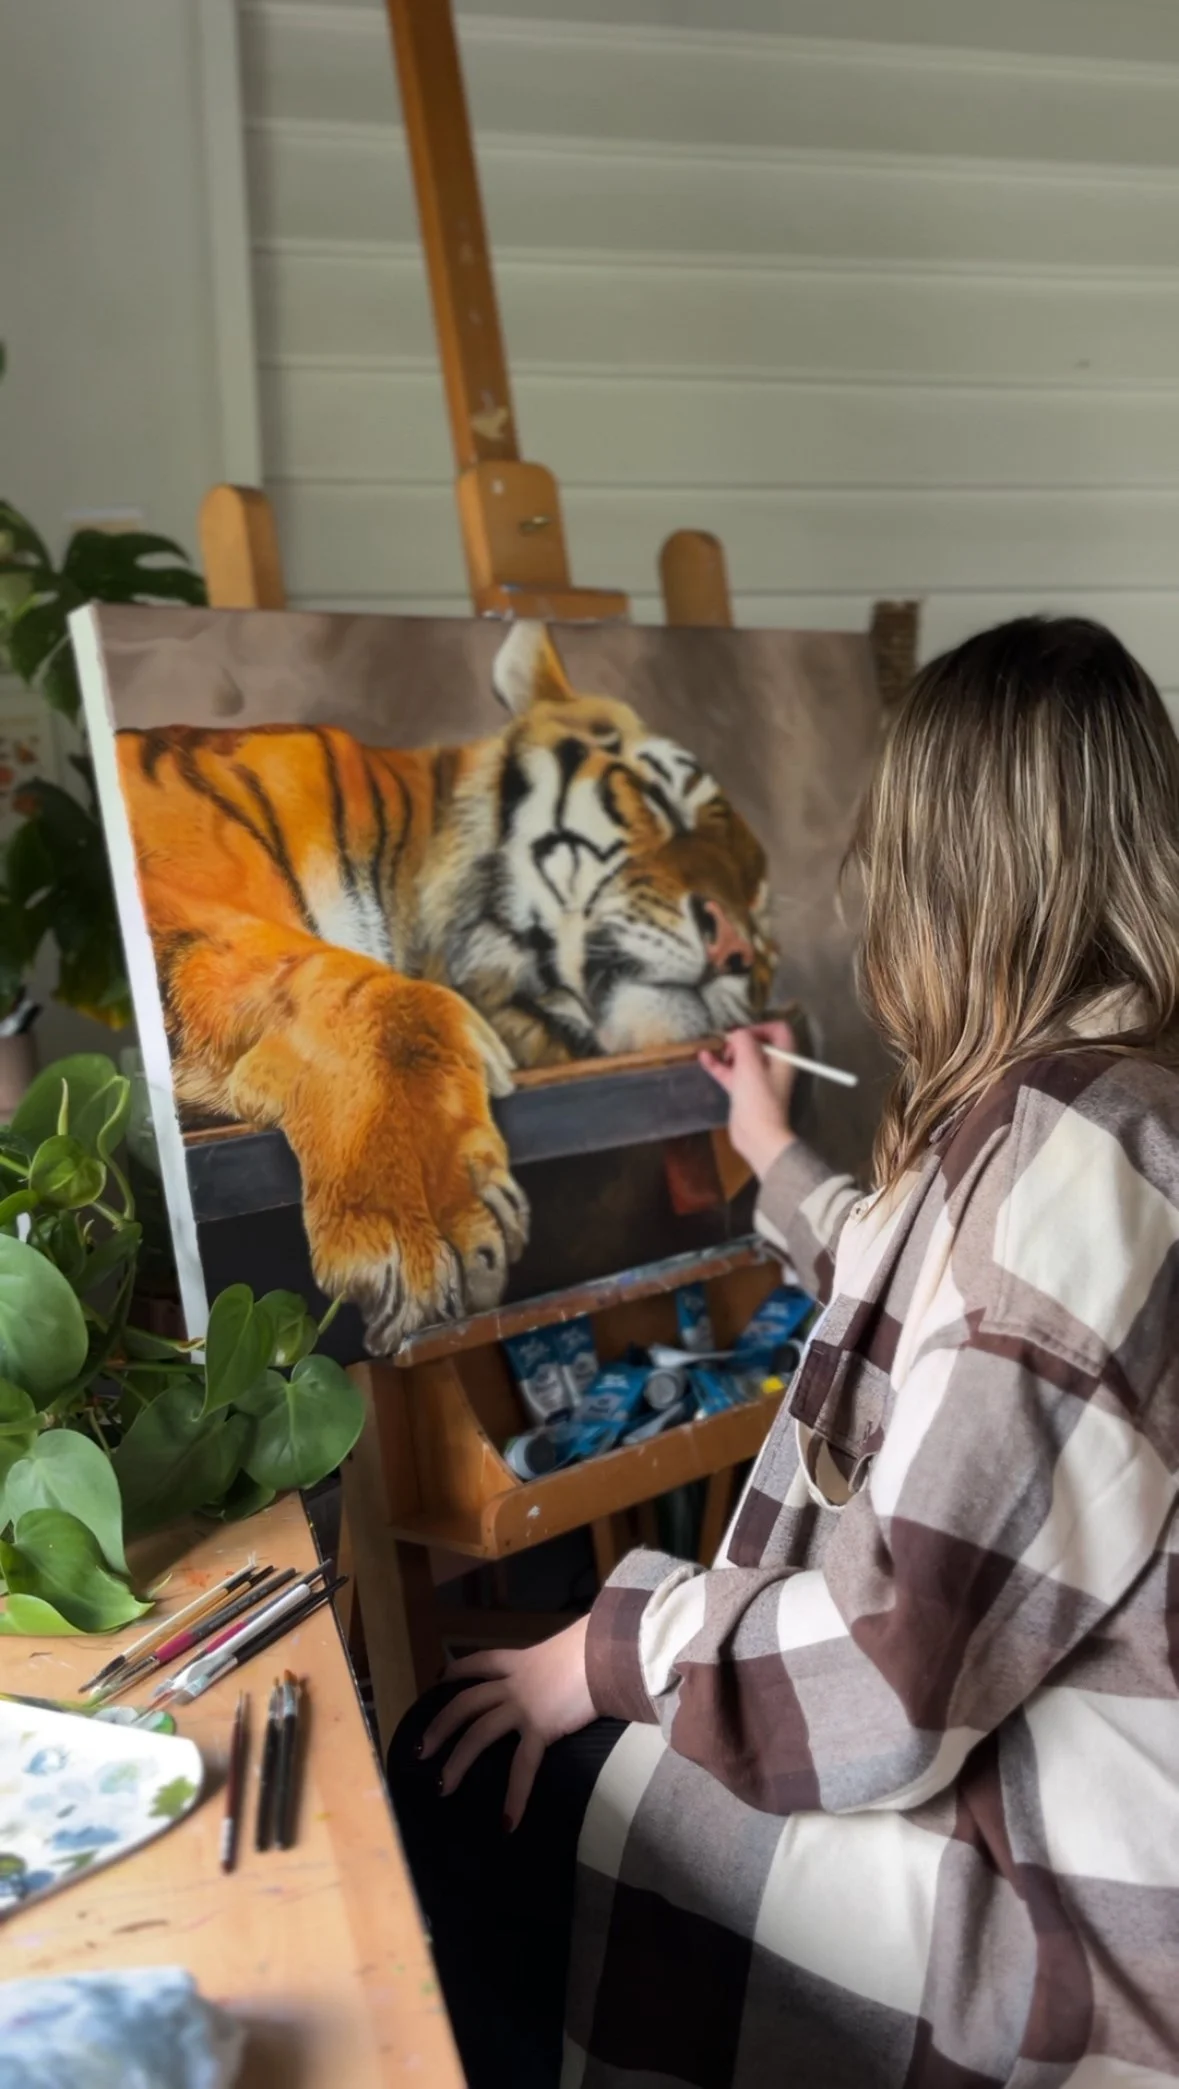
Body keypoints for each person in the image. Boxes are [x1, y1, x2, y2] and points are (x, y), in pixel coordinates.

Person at [388, 616, 1179, 2089]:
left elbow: (891, 1679)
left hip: (1068, 1917)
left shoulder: (1077, 1153)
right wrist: (770, 1155)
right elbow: (951, 1329)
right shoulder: (1116, 1113)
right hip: (1062, 1808)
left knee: (461, 1776)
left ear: (954, 881)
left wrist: (606, 1652)